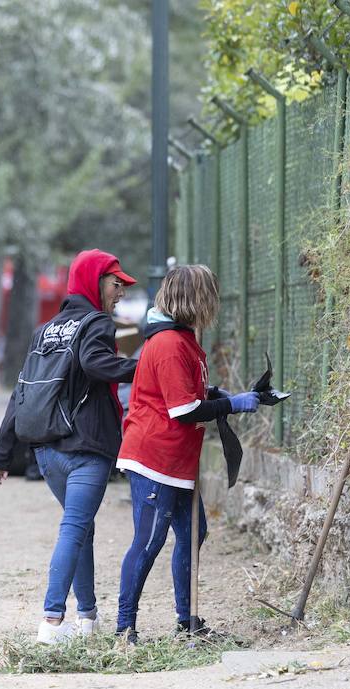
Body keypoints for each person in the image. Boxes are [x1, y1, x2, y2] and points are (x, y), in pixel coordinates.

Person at [0, 249, 138, 644]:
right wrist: (147, 365)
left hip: (46, 452)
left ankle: (87, 618)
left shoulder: (46, 330)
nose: (121, 290)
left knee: (81, 529)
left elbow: (20, 391)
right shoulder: (96, 324)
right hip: (86, 448)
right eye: (114, 281)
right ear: (93, 281)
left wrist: (2, 453)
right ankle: (52, 622)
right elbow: (96, 365)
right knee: (74, 528)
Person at [113, 264, 259, 642]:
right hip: (154, 456)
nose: (214, 303)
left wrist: (218, 396)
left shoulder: (182, 339)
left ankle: (187, 621)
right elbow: (182, 410)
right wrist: (232, 405)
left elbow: (186, 396)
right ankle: (123, 627)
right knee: (149, 540)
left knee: (193, 533)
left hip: (177, 459)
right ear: (195, 300)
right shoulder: (168, 344)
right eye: (209, 295)